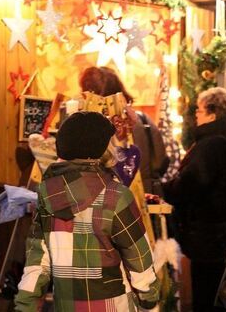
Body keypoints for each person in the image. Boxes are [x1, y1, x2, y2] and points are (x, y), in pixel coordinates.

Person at [14, 111, 160, 311]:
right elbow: (138, 256)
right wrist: (148, 295)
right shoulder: (116, 196)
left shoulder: (47, 195)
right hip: (112, 306)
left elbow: (38, 261)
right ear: (99, 149)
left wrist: (25, 304)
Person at [161, 87, 226, 312]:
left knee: (205, 296)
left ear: (212, 112)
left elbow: (192, 183)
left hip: (207, 236)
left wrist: (166, 189)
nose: (196, 115)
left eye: (199, 110)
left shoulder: (210, 144)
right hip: (225, 234)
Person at [80, 66, 169, 194]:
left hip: (110, 200)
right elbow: (161, 161)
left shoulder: (95, 126)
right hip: (146, 195)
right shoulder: (144, 120)